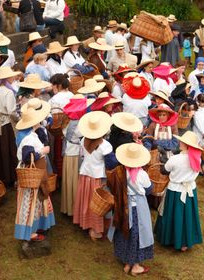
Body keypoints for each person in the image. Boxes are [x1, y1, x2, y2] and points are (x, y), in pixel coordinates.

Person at [109, 143, 153, 276]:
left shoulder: (119, 171)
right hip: (137, 207)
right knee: (138, 234)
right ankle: (135, 266)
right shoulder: (142, 174)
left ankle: (127, 262)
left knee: (124, 232)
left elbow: (113, 186)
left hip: (123, 206)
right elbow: (149, 190)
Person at [14, 98, 55, 241]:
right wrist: (43, 151)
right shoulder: (28, 139)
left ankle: (37, 226)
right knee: (31, 201)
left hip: (36, 171)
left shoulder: (28, 135)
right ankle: (29, 232)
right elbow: (27, 156)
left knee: (38, 200)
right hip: (32, 173)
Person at [155, 131, 203, 251]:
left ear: (186, 144)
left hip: (175, 191)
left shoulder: (175, 159)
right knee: (187, 215)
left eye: (182, 141)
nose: (179, 142)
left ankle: (170, 238)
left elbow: (164, 170)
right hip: (190, 190)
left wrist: (161, 159)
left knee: (173, 214)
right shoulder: (198, 159)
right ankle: (185, 242)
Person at [74, 111, 117, 240]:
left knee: (86, 200)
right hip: (98, 177)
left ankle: (85, 223)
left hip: (85, 174)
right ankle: (95, 229)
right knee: (97, 204)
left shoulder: (83, 140)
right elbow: (111, 164)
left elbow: (83, 156)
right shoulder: (105, 145)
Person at [60, 94, 94, 216]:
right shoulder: (78, 125)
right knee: (75, 181)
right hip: (74, 155)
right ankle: (75, 208)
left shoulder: (66, 121)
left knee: (69, 181)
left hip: (68, 153)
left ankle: (68, 206)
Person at [0, 66, 20, 188]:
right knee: (8, 151)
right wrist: (19, 120)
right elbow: (11, 112)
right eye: (11, 76)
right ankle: (9, 178)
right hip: (5, 125)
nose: (13, 77)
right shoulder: (8, 92)